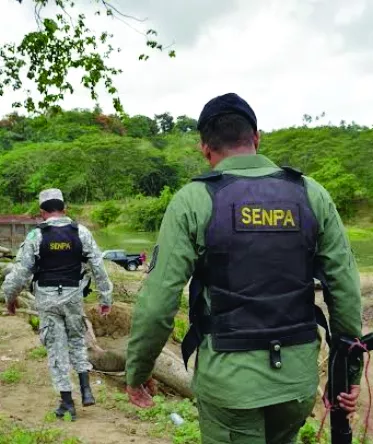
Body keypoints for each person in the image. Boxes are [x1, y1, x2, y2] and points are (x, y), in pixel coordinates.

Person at [125, 93, 363, 443]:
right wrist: (346, 376)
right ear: (256, 138)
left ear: (205, 149)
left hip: (229, 386)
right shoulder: (311, 194)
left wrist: (139, 370)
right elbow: (344, 290)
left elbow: (159, 303)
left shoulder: (193, 200)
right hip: (296, 382)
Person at [1, 188, 113, 421]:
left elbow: (20, 273)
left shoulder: (35, 236)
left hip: (47, 299)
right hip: (73, 296)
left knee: (56, 348)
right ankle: (86, 389)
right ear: (65, 209)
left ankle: (67, 402)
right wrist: (105, 298)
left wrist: (9, 298)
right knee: (76, 340)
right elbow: (99, 268)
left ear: (42, 213)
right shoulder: (81, 232)